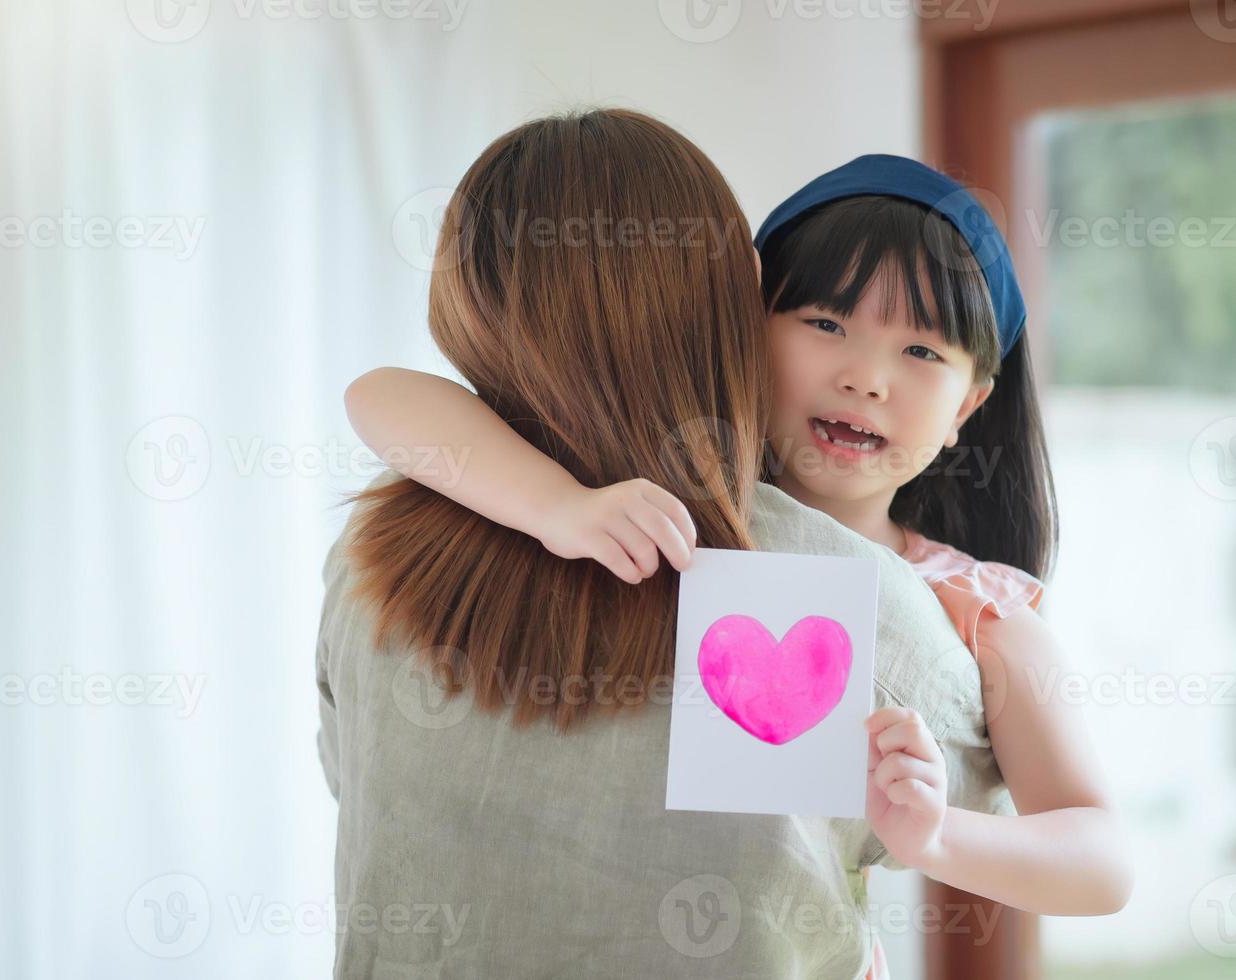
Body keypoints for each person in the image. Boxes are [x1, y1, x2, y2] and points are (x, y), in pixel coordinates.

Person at [342, 153, 1135, 976]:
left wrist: (939, 835)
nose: (865, 378)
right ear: (745, 329)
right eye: (826, 324)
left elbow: (1102, 859)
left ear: (968, 407)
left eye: (922, 353)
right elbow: (382, 395)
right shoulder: (640, 497)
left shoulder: (973, 608)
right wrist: (557, 507)